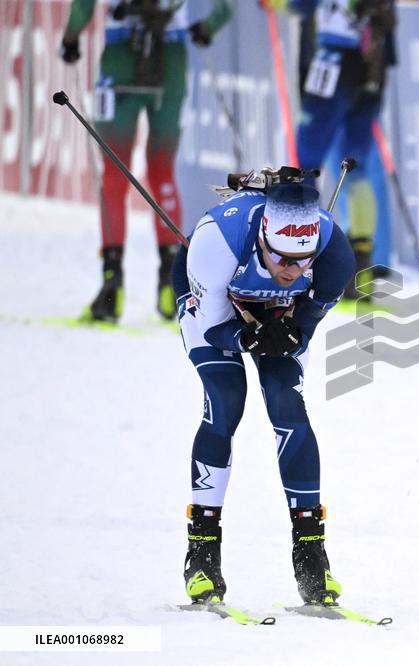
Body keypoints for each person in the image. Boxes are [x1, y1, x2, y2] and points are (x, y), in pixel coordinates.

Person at [171, 173, 354, 606]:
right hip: (215, 300)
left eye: (302, 261)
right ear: (263, 242)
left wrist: (289, 329)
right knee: (226, 397)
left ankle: (312, 553)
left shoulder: (333, 257)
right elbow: (214, 326)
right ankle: (202, 551)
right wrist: (248, 338)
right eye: (283, 260)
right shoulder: (217, 243)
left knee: (287, 404)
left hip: (277, 311)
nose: (293, 271)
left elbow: (306, 320)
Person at [60, 0, 232, 324]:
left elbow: (83, 7)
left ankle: (111, 288)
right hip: (171, 56)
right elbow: (225, 9)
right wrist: (206, 28)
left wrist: (71, 38)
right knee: (163, 172)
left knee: (113, 175)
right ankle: (170, 285)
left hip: (120, 56)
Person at [290, 0, 396, 299]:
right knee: (357, 168)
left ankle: (305, 257)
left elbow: (296, 5)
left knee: (306, 164)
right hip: (373, 64)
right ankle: (361, 266)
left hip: (334, 59)